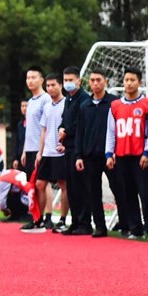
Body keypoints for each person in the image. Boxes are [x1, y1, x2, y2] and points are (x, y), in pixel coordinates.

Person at [106, 68, 148, 239]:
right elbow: (110, 131)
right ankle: (135, 228)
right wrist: (109, 153)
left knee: (145, 193)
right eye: (126, 80)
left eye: (132, 80)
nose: (129, 83)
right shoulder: (115, 106)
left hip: (140, 155)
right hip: (122, 155)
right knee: (128, 193)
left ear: (139, 82)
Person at [71, 67, 118, 237]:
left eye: (98, 80)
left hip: (110, 155)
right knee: (93, 193)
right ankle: (100, 226)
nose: (95, 84)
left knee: (118, 189)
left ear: (105, 81)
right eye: (92, 80)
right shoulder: (84, 106)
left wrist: (114, 152)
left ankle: (126, 223)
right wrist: (78, 156)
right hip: (90, 156)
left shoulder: (114, 103)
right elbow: (80, 133)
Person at [27, 73, 68, 232]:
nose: (50, 88)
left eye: (53, 85)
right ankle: (39, 218)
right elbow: (44, 130)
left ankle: (63, 219)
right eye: (49, 86)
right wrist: (40, 152)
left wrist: (66, 145)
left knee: (64, 185)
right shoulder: (47, 106)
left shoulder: (67, 104)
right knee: (39, 184)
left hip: (61, 152)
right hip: (47, 152)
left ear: (60, 85)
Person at [59, 65, 90, 234]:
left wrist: (67, 131)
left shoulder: (84, 99)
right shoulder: (68, 99)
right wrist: (61, 129)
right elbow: (65, 120)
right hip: (68, 148)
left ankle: (85, 223)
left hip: (80, 149)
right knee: (71, 187)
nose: (68, 83)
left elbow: (80, 125)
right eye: (65, 80)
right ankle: (75, 221)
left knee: (81, 187)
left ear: (79, 80)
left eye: (71, 80)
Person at [21, 66, 51, 187]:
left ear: (41, 80)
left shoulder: (46, 99)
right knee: (32, 184)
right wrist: (24, 151)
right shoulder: (30, 102)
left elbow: (47, 126)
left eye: (33, 77)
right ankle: (35, 207)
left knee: (42, 183)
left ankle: (47, 207)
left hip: (41, 149)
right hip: (29, 149)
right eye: (28, 78)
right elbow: (29, 128)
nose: (30, 80)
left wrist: (41, 150)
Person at [12, 99, 28, 169]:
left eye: (26, 106)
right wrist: (15, 158)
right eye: (22, 106)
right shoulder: (20, 124)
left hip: (30, 156)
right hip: (20, 158)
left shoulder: (34, 124)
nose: (24, 108)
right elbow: (17, 142)